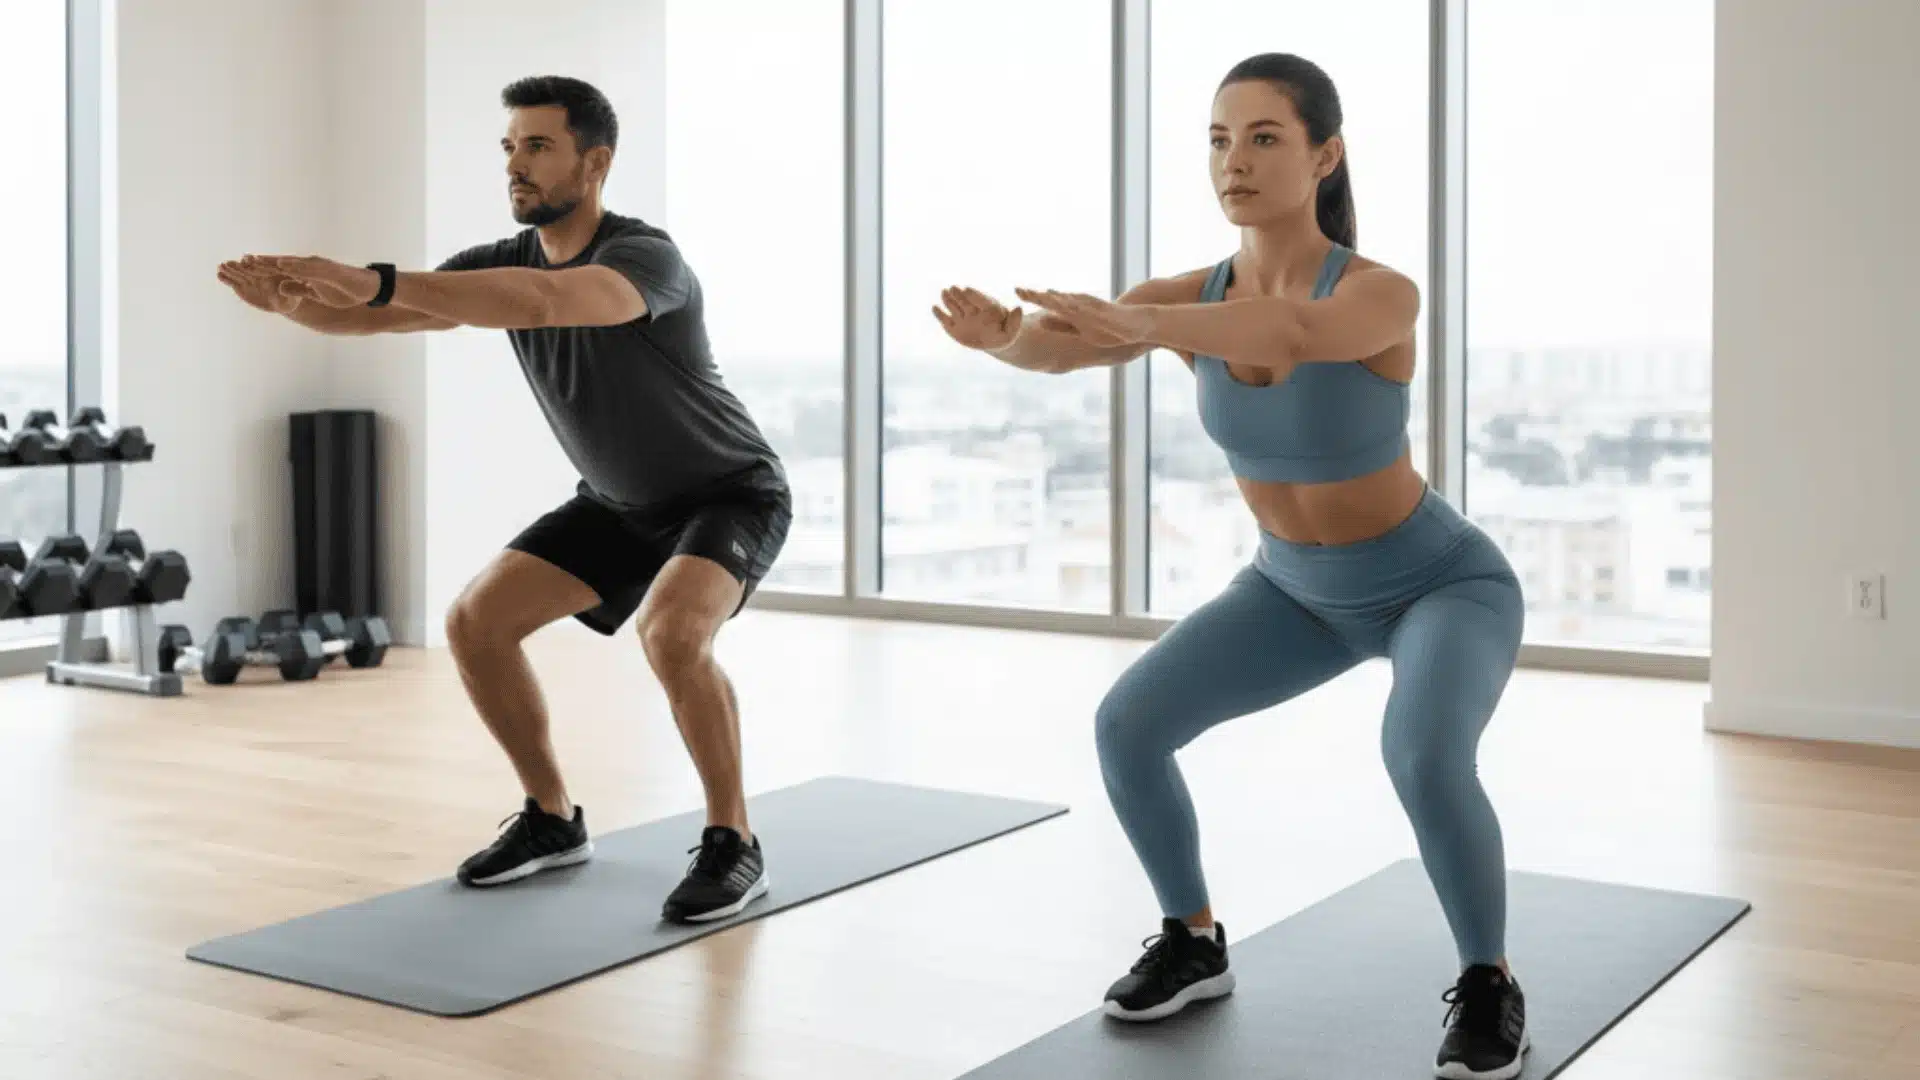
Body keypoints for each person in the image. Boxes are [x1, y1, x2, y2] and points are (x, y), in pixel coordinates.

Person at [933, 54, 1529, 1080]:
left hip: (1439, 583)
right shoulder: (1186, 297)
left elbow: (1293, 327)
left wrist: (1152, 325)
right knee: (1129, 725)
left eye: (1263, 138)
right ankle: (1193, 938)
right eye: (1218, 138)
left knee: (1426, 758)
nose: (1234, 160)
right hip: (1294, 591)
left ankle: (1489, 983)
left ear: (1323, 155)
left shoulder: (1379, 294)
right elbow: (1060, 347)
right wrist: (1004, 341)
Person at [215, 75, 790, 925]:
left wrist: (365, 277)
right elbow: (384, 318)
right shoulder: (499, 262)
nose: (516, 166)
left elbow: (546, 302)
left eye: (538, 147)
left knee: (671, 632)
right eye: (510, 148)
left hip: (728, 491)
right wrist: (297, 307)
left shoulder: (644, 259)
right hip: (617, 502)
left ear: (595, 163)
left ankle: (734, 840)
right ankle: (552, 819)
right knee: (476, 623)